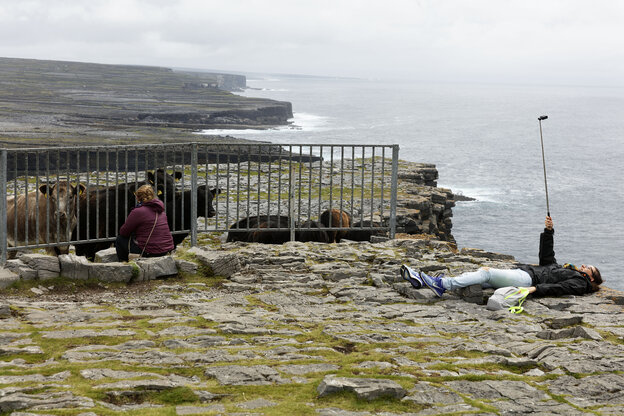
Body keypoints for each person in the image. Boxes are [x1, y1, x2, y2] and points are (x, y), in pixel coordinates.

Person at [401, 216, 602, 298]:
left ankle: (441, 284)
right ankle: (437, 283)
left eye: (588, 268)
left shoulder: (579, 282)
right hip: (525, 274)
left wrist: (534, 289)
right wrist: (549, 231)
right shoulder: (568, 272)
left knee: (486, 274)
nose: (584, 266)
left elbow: (559, 288)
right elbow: (547, 259)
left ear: (591, 278)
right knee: (483, 278)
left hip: (527, 279)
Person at [115, 184, 174, 261]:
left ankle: (124, 265)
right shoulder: (161, 210)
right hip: (166, 250)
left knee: (120, 240)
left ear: (137, 198)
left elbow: (124, 232)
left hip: (150, 251)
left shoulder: (138, 211)